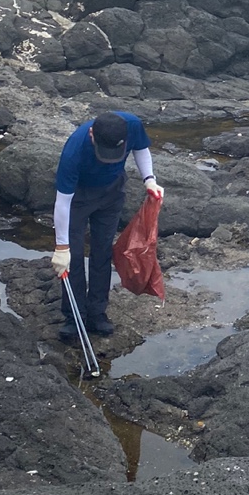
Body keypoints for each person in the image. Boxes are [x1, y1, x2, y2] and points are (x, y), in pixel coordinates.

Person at [51, 111, 164, 341]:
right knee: (72, 257)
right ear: (92, 134)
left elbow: (141, 149)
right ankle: (74, 317)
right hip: (78, 198)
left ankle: (97, 313)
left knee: (102, 251)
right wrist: (61, 248)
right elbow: (62, 202)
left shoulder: (132, 125)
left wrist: (149, 180)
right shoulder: (74, 151)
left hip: (112, 192)